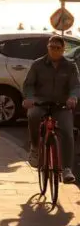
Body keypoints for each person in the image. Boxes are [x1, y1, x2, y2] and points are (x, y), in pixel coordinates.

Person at [23, 35, 79, 182]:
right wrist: (29, 98)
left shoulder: (70, 66)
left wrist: (73, 97)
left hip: (61, 105)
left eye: (57, 48)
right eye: (51, 47)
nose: (54, 50)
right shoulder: (37, 64)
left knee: (67, 131)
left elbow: (75, 85)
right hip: (40, 103)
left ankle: (67, 169)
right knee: (33, 115)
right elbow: (29, 84)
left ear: (63, 49)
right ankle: (35, 147)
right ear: (47, 48)